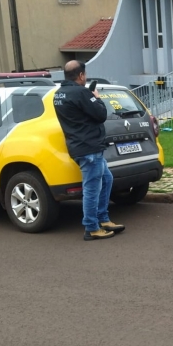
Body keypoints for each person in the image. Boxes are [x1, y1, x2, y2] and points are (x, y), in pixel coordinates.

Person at [54, 60, 125, 241]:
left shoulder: (59, 94)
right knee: (92, 187)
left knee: (106, 179)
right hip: (88, 148)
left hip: (81, 145)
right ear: (81, 75)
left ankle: (103, 218)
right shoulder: (81, 93)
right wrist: (96, 97)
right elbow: (100, 114)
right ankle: (91, 227)